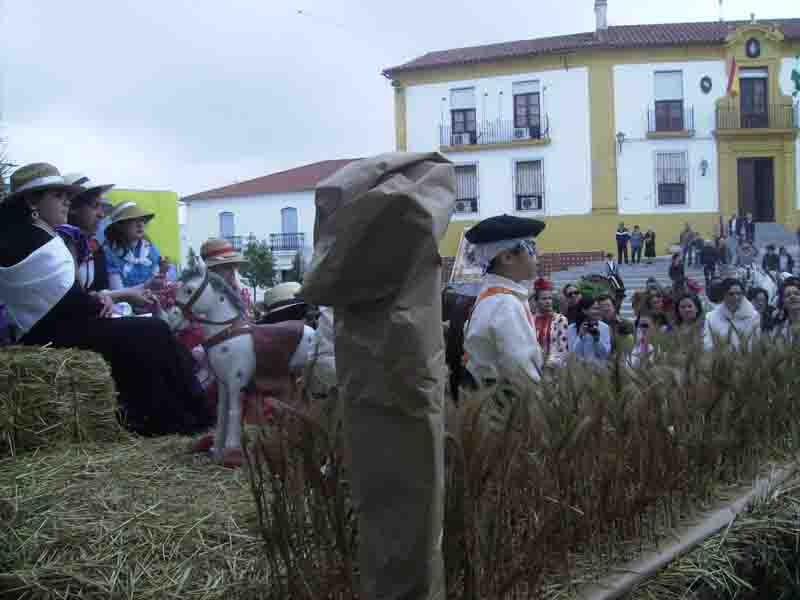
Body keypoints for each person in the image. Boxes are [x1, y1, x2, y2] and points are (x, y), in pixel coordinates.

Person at [0, 163, 212, 436]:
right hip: (54, 334)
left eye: (67, 195)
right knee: (152, 331)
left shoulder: (34, 234)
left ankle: (179, 414)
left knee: (148, 331)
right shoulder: (32, 238)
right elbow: (63, 302)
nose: (67, 200)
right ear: (31, 200)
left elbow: (62, 297)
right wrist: (98, 302)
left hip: (58, 328)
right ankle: (181, 417)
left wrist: (96, 300)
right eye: (57, 194)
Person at [462, 214, 545, 388]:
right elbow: (521, 370)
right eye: (531, 249)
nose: (539, 255)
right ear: (507, 258)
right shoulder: (505, 303)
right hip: (508, 399)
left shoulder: (493, 297)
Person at [59, 175, 155, 311]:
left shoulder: (95, 250)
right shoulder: (60, 245)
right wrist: (125, 295)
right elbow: (77, 300)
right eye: (95, 206)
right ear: (72, 208)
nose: (101, 214)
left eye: (142, 221)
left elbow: (100, 291)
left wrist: (148, 287)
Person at [103, 201, 161, 291]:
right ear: (119, 225)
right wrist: (147, 286)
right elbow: (118, 292)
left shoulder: (151, 250)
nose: (140, 224)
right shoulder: (109, 253)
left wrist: (163, 273)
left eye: (142, 220)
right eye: (133, 220)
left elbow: (157, 285)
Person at [200, 238, 254, 318]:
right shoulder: (205, 296)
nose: (233, 271)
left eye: (234, 265)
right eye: (227, 266)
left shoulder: (236, 289)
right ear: (213, 269)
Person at [703, 278, 760, 351]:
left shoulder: (754, 316)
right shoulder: (711, 317)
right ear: (723, 295)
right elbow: (707, 343)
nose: (736, 297)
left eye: (739, 293)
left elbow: (756, 342)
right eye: (731, 294)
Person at [530, 278, 569, 369]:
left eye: (550, 298)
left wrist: (548, 364)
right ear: (536, 301)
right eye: (544, 299)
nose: (548, 301)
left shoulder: (560, 319)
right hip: (534, 368)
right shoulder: (531, 320)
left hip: (555, 368)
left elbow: (562, 349)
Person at [567, 296, 611, 367]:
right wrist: (580, 336)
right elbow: (572, 355)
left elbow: (605, 354)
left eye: (598, 308)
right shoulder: (572, 328)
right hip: (579, 371)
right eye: (594, 309)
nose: (597, 312)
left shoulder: (604, 327)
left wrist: (597, 340)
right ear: (584, 310)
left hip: (598, 371)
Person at [772, 277, 800, 343]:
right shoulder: (779, 329)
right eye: (788, 295)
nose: (792, 297)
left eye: (796, 293)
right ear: (783, 302)